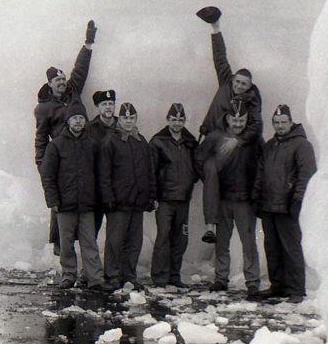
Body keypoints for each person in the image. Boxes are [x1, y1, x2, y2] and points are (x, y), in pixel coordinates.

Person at [196, 6, 263, 244]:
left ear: (250, 86)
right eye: (238, 81)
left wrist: (238, 139)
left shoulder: (252, 101)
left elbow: (256, 128)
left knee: (218, 172)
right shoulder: (226, 82)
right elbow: (220, 57)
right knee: (208, 172)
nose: (240, 86)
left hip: (232, 144)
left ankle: (218, 224)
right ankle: (211, 224)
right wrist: (215, 27)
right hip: (212, 138)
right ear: (233, 79)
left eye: (245, 84)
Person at [34, 20, 98, 255]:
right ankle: (59, 248)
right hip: (61, 156)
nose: (62, 83)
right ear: (50, 85)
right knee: (60, 204)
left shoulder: (73, 92)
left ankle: (85, 247)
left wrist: (88, 43)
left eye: (63, 79)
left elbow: (80, 69)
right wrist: (42, 165)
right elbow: (41, 139)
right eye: (58, 81)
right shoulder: (43, 109)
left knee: (85, 199)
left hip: (83, 150)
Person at [39, 101, 116, 292]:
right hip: (65, 205)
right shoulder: (56, 145)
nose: (78, 121)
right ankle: (68, 275)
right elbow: (48, 175)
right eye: (75, 118)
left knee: (89, 242)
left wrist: (99, 198)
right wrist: (53, 200)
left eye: (81, 118)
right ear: (68, 121)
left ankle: (95, 278)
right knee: (66, 244)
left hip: (88, 205)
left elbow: (100, 174)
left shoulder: (92, 145)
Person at [194, 101, 261, 299]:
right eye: (235, 119)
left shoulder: (253, 140)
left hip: (245, 200)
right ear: (228, 118)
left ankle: (252, 281)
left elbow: (263, 163)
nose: (238, 124)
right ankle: (221, 278)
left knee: (248, 242)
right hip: (222, 198)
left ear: (247, 119)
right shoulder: (215, 137)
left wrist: (256, 188)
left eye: (242, 120)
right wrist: (209, 177)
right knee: (221, 242)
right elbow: (199, 158)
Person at [252, 104, 317, 303]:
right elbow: (261, 173)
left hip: (287, 205)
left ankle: (296, 289)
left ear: (291, 122)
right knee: (272, 247)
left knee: (291, 247)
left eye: (283, 122)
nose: (280, 126)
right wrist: (257, 196)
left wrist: (297, 200)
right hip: (269, 205)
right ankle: (277, 285)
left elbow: (306, 174)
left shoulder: (301, 145)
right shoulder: (270, 146)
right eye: (277, 123)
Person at [99, 102, 156, 290]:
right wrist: (107, 197)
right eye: (125, 118)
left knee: (134, 242)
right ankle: (112, 276)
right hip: (118, 202)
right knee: (115, 241)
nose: (128, 121)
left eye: (132, 118)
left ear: (136, 119)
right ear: (119, 119)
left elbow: (149, 172)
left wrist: (150, 196)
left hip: (137, 202)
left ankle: (129, 275)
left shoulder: (141, 142)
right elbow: (104, 172)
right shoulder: (111, 141)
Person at [149, 103, 199, 288]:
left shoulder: (190, 142)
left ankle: (174, 275)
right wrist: (153, 196)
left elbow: (197, 165)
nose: (177, 123)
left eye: (180, 119)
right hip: (165, 199)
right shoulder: (158, 141)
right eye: (174, 119)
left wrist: (190, 179)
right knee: (163, 237)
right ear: (168, 120)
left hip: (183, 199)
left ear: (184, 121)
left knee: (181, 238)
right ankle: (159, 277)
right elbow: (151, 171)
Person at [86, 89, 118, 235]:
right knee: (92, 228)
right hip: (96, 188)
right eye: (104, 104)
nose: (108, 107)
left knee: (117, 231)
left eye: (111, 103)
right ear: (98, 107)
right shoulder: (89, 129)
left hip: (118, 187)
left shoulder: (122, 126)